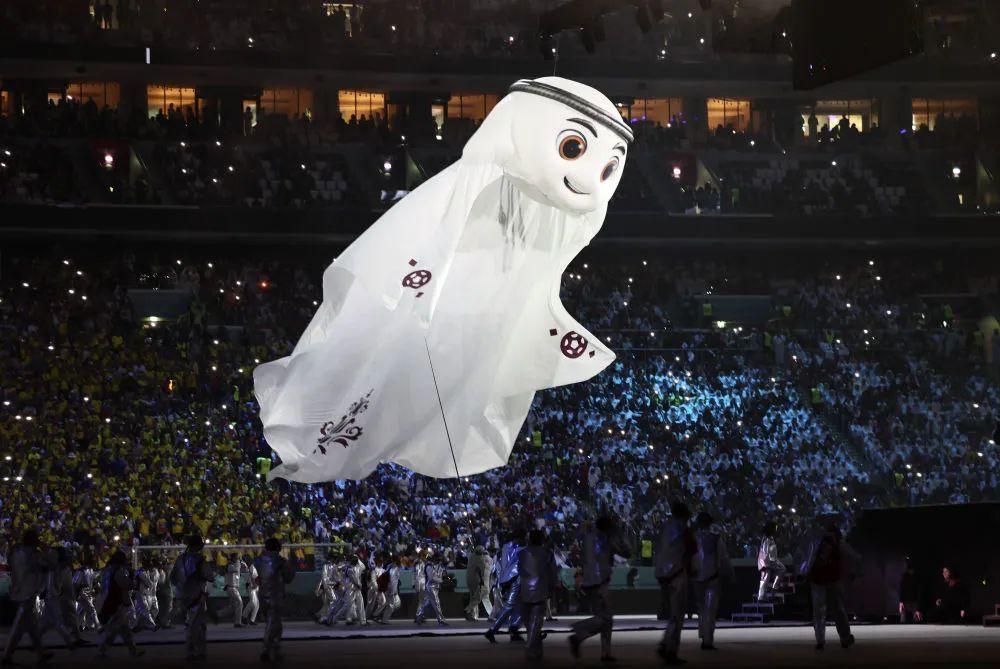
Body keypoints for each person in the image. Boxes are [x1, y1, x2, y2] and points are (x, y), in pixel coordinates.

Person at [568, 516, 631, 663]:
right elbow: (627, 552)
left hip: (590, 582)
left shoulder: (589, 537)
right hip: (600, 583)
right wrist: (620, 534)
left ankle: (605, 653)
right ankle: (579, 631)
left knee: (606, 619)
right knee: (605, 618)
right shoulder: (606, 539)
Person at [800, 517, 857, 650]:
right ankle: (845, 638)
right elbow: (854, 557)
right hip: (832, 579)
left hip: (817, 580)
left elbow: (808, 560)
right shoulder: (838, 541)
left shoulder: (815, 541)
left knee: (818, 612)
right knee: (838, 610)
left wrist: (805, 574)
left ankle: (820, 640)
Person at [2, 528, 55, 666]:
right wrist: (46, 550)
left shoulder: (16, 552)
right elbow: (51, 564)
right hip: (27, 594)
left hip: (19, 592)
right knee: (18, 627)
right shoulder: (34, 555)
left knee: (33, 627)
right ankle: (7, 656)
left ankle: (41, 653)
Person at [654, 501, 695, 664]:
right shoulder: (684, 529)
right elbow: (692, 549)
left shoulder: (665, 528)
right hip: (677, 574)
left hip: (663, 575)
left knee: (673, 614)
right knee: (677, 615)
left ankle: (667, 645)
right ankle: (669, 649)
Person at [691, 511, 733, 651]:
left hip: (697, 579)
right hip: (712, 578)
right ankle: (707, 639)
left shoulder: (693, 539)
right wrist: (730, 572)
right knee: (710, 609)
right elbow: (724, 558)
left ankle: (704, 634)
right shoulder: (715, 539)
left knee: (702, 609)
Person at [170, 534, 214, 661]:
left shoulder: (180, 559)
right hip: (197, 596)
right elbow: (210, 576)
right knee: (198, 625)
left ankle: (192, 651)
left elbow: (173, 578)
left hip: (184, 596)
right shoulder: (200, 560)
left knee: (191, 623)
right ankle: (196, 651)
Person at [518, 529, 558, 661]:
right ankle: (533, 648)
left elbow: (520, 571)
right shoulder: (547, 553)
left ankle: (533, 648)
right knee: (536, 622)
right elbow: (553, 573)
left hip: (525, 591)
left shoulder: (522, 553)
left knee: (530, 623)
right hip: (541, 591)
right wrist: (551, 588)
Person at [254, 537, 296, 662]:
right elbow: (289, 578)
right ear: (278, 548)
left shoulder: (258, 560)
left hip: (262, 595)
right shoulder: (280, 561)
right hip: (275, 596)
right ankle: (266, 649)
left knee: (274, 623)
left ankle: (275, 649)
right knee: (273, 623)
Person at [96, 550, 143, 659]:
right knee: (115, 630)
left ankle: (133, 651)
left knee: (123, 629)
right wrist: (133, 578)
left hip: (107, 602)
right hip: (115, 604)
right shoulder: (119, 571)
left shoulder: (107, 570)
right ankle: (102, 651)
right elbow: (128, 585)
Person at [485, 529, 525, 643]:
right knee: (510, 606)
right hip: (515, 578)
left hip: (506, 579)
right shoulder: (521, 549)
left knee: (516, 606)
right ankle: (493, 630)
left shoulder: (506, 547)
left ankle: (513, 630)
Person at [40, 546, 83, 648]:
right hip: (62, 597)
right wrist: (57, 593)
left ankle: (36, 639)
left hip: (59, 596)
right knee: (62, 619)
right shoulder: (62, 569)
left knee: (47, 622)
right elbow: (58, 584)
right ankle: (72, 640)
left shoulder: (59, 568)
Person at [414, 554, 447, 626]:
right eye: (439, 560)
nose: (440, 561)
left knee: (427, 603)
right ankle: (441, 620)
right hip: (431, 587)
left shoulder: (439, 567)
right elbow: (431, 578)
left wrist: (444, 576)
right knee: (437, 603)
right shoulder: (429, 566)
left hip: (435, 587)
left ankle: (419, 616)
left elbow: (442, 575)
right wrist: (441, 580)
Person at [757, 521, 785, 602]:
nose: (776, 529)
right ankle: (763, 596)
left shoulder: (770, 538)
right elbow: (766, 551)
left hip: (770, 561)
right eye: (775, 528)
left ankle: (765, 595)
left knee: (767, 577)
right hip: (767, 562)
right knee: (766, 577)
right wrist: (768, 563)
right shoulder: (766, 538)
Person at [465, 545, 493, 621]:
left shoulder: (472, 557)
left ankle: (473, 615)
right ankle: (490, 615)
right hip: (481, 582)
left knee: (474, 598)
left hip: (472, 581)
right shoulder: (483, 560)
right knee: (482, 599)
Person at [133, 556, 160, 631]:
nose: (150, 566)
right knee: (145, 610)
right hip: (140, 593)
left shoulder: (146, 571)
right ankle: (152, 626)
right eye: (148, 564)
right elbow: (149, 583)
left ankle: (138, 626)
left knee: (141, 611)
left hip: (146, 594)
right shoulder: (140, 572)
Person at [74, 558, 101, 633]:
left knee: (81, 611)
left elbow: (94, 579)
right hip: (83, 592)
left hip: (88, 593)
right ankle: (98, 626)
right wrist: (76, 594)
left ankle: (78, 626)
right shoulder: (81, 571)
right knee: (91, 609)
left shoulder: (90, 570)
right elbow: (75, 583)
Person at [373, 555, 402, 624]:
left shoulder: (389, 567)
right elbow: (393, 581)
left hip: (388, 589)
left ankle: (381, 617)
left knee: (391, 604)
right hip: (390, 589)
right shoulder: (394, 569)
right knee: (392, 605)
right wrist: (393, 590)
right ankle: (383, 618)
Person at [224, 553, 247, 628]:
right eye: (237, 558)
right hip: (231, 588)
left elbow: (245, 569)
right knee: (240, 603)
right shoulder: (230, 566)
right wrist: (238, 562)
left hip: (234, 588)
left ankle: (217, 614)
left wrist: (242, 562)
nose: (238, 559)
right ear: (233, 558)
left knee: (233, 606)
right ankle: (237, 623)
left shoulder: (235, 565)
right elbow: (236, 569)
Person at [315, 552, 340, 623]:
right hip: (326, 587)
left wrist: (337, 582)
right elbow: (324, 578)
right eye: (334, 558)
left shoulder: (334, 566)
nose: (335, 559)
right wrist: (326, 587)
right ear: (331, 558)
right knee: (334, 600)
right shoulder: (326, 566)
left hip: (330, 586)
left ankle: (321, 617)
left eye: (335, 558)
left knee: (326, 603)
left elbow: (337, 577)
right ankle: (327, 618)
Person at [155, 556, 174, 629]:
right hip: (167, 591)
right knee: (168, 607)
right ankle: (165, 623)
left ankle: (161, 622)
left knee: (161, 607)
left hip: (159, 591)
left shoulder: (157, 569)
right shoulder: (169, 568)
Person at [243, 559, 261, 626]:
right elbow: (253, 577)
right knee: (253, 602)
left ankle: (252, 620)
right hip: (252, 586)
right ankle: (244, 616)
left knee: (257, 604)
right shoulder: (252, 567)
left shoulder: (255, 567)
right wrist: (254, 584)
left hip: (254, 586)